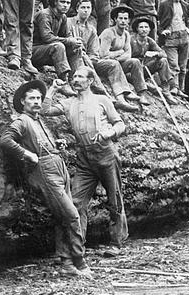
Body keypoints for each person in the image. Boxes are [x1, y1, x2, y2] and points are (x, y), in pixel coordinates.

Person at [0, 79, 92, 278]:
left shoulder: (39, 120)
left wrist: (56, 144)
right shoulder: (21, 121)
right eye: (31, 98)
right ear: (22, 102)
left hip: (58, 166)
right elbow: (6, 140)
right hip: (43, 170)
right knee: (72, 215)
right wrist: (26, 154)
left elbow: (41, 141)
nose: (36, 102)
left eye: (39, 98)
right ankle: (80, 261)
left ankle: (66, 263)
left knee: (62, 218)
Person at [42, 69, 128, 257]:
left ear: (90, 80)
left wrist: (109, 133)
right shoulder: (68, 103)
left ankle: (116, 242)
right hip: (84, 159)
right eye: (74, 77)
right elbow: (44, 110)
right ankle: (76, 246)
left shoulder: (102, 100)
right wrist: (53, 89)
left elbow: (120, 124)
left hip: (106, 153)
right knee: (75, 203)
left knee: (114, 200)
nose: (75, 80)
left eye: (80, 77)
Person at [71, 0, 141, 111]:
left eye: (88, 8)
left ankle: (121, 98)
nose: (86, 10)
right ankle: (108, 96)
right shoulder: (69, 22)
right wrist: (120, 52)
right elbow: (104, 53)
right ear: (77, 9)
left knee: (114, 64)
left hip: (91, 60)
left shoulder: (92, 29)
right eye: (83, 7)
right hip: (75, 58)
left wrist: (92, 59)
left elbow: (94, 52)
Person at [99, 6, 149, 105]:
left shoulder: (126, 34)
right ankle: (125, 92)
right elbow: (103, 54)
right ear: (115, 19)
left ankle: (142, 93)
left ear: (129, 20)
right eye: (120, 18)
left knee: (135, 62)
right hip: (103, 64)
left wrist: (116, 56)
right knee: (114, 63)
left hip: (117, 63)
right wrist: (118, 53)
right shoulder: (108, 33)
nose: (123, 21)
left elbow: (128, 54)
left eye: (125, 18)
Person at [32, 0, 77, 87]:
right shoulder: (45, 15)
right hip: (33, 51)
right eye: (62, 2)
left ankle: (73, 80)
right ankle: (63, 83)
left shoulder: (62, 17)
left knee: (75, 47)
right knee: (59, 46)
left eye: (68, 3)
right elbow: (47, 38)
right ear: (55, 2)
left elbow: (66, 35)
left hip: (46, 51)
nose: (65, 5)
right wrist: (69, 40)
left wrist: (74, 41)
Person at [157, 0, 189, 96]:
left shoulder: (185, 5)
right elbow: (157, 20)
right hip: (170, 37)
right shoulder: (164, 4)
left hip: (183, 36)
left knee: (183, 66)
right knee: (173, 65)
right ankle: (174, 87)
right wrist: (162, 31)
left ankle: (181, 89)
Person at [130, 16, 180, 98]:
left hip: (144, 69)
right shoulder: (131, 39)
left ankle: (166, 90)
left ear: (149, 29)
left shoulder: (149, 41)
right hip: (131, 71)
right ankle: (147, 87)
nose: (144, 29)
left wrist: (155, 54)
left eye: (146, 27)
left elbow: (163, 54)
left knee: (163, 61)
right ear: (137, 29)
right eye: (141, 27)